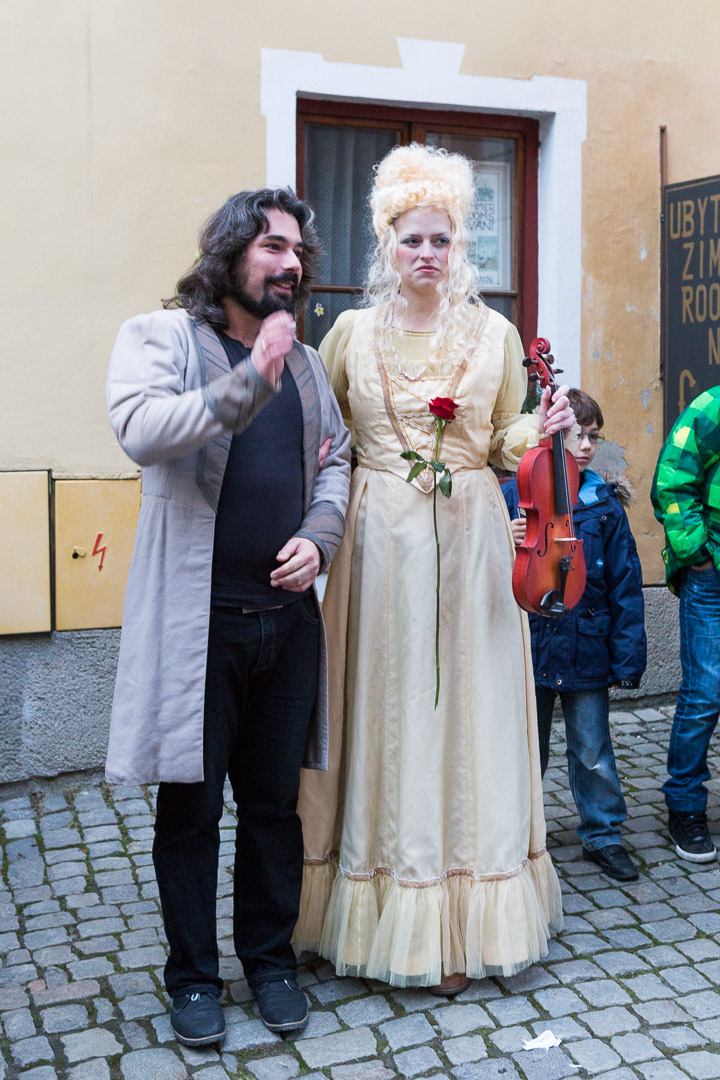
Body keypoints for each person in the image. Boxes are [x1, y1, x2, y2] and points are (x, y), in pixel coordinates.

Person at [293, 143, 574, 993]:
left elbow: (504, 439)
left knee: (467, 714)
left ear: (460, 247)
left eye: (441, 240)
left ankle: (461, 920)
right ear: (386, 244)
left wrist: (545, 427)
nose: (426, 254)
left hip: (475, 545)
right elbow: (325, 440)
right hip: (377, 552)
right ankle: (373, 910)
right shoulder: (347, 333)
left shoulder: (494, 335)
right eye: (411, 239)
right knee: (384, 710)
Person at [105, 189, 351, 1044]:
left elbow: (336, 463)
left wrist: (321, 538)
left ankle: (272, 962)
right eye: (271, 246)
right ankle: (194, 980)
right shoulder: (164, 338)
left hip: (286, 627)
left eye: (297, 253)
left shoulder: (310, 366)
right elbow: (142, 430)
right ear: (229, 255)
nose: (288, 264)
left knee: (276, 808)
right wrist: (251, 380)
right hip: (196, 627)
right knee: (191, 811)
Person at [503, 389, 646, 882]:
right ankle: (516, 835)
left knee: (592, 749)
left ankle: (603, 834)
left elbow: (626, 586)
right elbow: (487, 568)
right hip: (532, 645)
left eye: (592, 437)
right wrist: (510, 537)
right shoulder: (514, 497)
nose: (585, 446)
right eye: (575, 435)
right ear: (549, 435)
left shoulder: (603, 505)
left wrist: (628, 658)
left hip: (587, 646)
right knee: (527, 747)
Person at [651, 386, 720, 863]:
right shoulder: (711, 407)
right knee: (705, 692)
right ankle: (685, 806)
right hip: (712, 575)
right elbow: (672, 480)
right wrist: (698, 556)